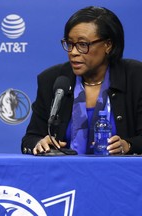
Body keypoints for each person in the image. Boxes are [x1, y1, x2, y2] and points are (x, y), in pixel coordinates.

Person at [21, 6, 142, 155]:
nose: (73, 52)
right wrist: (40, 143)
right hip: (66, 175)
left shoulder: (136, 77)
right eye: (69, 44)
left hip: (120, 174)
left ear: (108, 45)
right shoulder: (52, 79)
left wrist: (128, 145)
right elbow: (30, 138)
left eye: (82, 45)